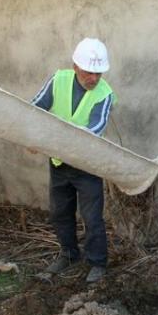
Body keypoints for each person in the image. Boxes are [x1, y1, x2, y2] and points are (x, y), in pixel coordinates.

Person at [31, 38, 116, 284]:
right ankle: (68, 254)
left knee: (92, 218)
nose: (94, 78)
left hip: (87, 166)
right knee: (60, 212)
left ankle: (97, 263)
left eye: (99, 73)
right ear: (76, 67)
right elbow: (36, 108)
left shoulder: (105, 94)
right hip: (59, 164)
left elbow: (96, 128)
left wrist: (56, 141)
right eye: (89, 72)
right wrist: (31, 135)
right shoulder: (59, 79)